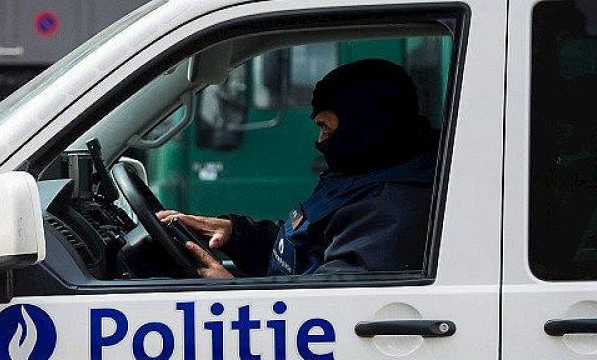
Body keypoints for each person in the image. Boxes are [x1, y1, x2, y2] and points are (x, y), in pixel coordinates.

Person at [162, 58, 439, 279]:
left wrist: (230, 297)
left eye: (326, 128)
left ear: (366, 127)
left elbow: (329, 313)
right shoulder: (364, 175)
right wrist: (238, 233)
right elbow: (307, 250)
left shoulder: (389, 209)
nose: (320, 141)